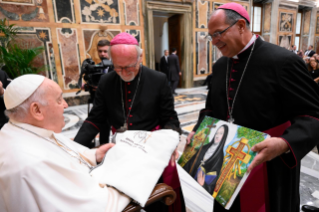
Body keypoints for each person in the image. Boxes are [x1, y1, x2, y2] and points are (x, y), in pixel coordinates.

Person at [186, 3, 319, 212]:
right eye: (210, 36)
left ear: (240, 25)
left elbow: (312, 115)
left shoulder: (284, 61)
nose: (214, 42)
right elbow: (210, 109)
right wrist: (197, 133)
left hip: (270, 166)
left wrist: (285, 143)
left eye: (218, 33)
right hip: (226, 164)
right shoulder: (221, 66)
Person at [74, 33, 183, 212]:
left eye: (130, 66)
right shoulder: (106, 81)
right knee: (123, 202)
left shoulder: (158, 79)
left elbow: (170, 119)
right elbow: (95, 119)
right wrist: (75, 150)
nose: (125, 73)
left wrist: (169, 141)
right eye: (118, 68)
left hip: (152, 151)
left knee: (157, 202)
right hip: (121, 152)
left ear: (140, 57)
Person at [0, 74, 131, 212]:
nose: (65, 105)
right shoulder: (30, 164)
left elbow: (64, 152)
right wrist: (126, 184)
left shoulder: (25, 129)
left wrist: (95, 155)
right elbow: (90, 207)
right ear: (37, 110)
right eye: (59, 100)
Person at [183, 125, 228, 195]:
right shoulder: (204, 147)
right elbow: (190, 163)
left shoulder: (219, 157)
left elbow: (212, 183)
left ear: (224, 136)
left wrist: (203, 185)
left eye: (221, 133)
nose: (217, 135)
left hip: (197, 191)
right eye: (217, 133)